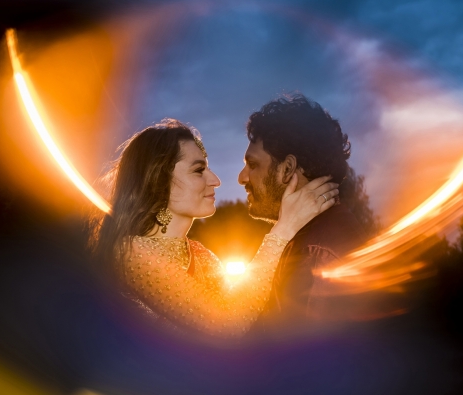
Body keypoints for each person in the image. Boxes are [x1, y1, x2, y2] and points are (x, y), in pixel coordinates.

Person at [89, 119, 339, 338]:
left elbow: (246, 319)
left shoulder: (202, 256)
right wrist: (283, 229)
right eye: (199, 170)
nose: (216, 180)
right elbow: (227, 325)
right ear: (158, 180)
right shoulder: (131, 252)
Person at [238, 94, 371, 333]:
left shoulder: (319, 253)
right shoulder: (309, 238)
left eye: (253, 164)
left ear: (287, 169)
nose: (242, 178)